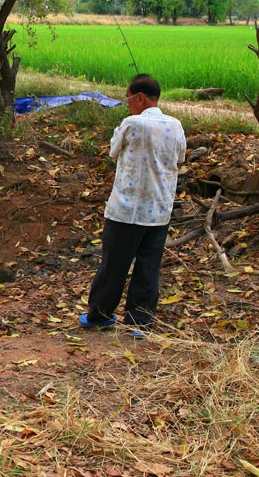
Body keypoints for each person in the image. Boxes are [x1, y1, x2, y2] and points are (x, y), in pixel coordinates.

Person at [79, 73, 186, 336]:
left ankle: (100, 315)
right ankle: (140, 322)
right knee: (149, 266)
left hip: (126, 210)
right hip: (159, 210)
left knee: (114, 265)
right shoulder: (176, 125)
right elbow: (180, 157)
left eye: (128, 99)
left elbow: (113, 150)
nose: (127, 104)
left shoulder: (132, 123)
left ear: (139, 98)